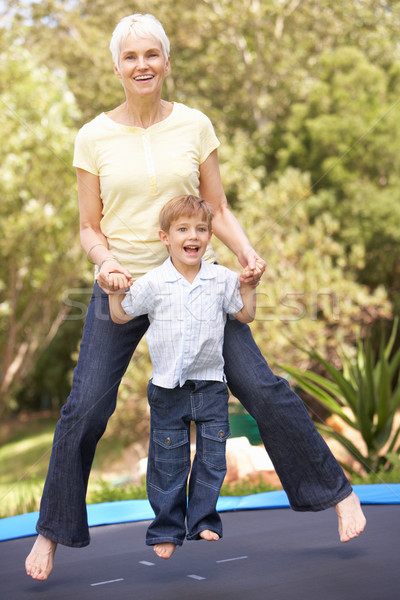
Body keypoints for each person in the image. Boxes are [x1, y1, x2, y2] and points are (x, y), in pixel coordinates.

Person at [25, 13, 366, 581]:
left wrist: (247, 254)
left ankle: (337, 493)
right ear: (116, 66)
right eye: (131, 57)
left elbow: (219, 208)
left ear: (165, 60)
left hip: (195, 284)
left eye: (151, 55)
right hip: (126, 285)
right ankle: (50, 533)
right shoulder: (93, 137)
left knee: (261, 385)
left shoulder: (194, 125)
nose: (142, 66)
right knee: (84, 408)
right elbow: (89, 227)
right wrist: (105, 265)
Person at [108, 194, 256, 559]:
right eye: (183, 229)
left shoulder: (222, 279)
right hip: (167, 389)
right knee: (168, 462)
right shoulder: (154, 282)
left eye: (201, 229)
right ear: (165, 237)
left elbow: (245, 315)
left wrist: (249, 286)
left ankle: (203, 519)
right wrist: (114, 293)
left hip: (211, 385)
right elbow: (122, 315)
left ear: (209, 237)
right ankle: (167, 528)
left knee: (212, 458)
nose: (194, 235)